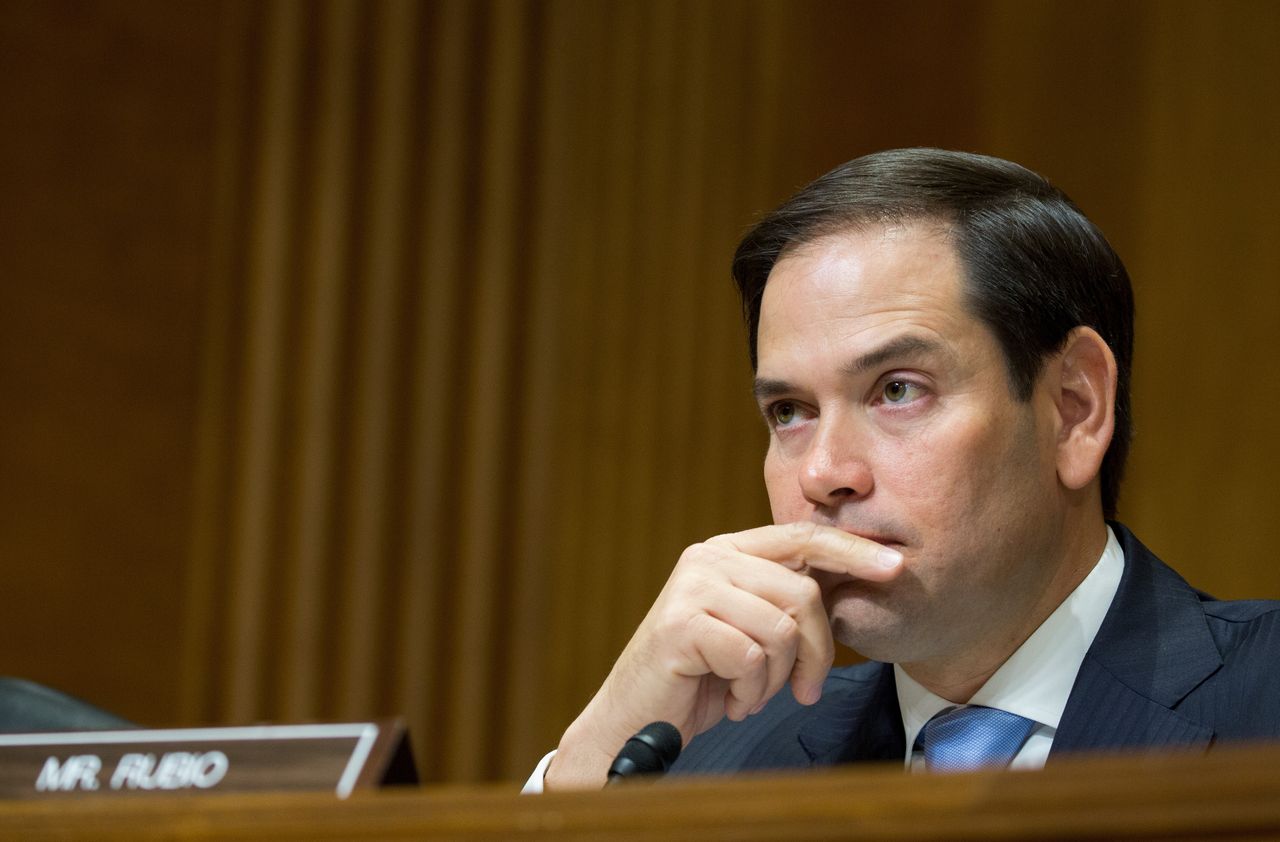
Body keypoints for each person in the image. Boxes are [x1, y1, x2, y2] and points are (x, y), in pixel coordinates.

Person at [526, 148, 1280, 792]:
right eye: (789, 410)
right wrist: (597, 756)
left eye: (897, 391)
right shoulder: (702, 765)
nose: (823, 474)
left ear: (1074, 409)